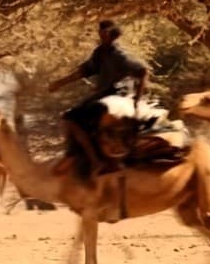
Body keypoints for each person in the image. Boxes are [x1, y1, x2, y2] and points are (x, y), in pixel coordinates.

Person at [48, 20, 149, 176]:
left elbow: (143, 71)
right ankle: (83, 158)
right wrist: (60, 83)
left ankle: (93, 161)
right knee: (76, 118)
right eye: (101, 31)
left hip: (116, 95)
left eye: (105, 31)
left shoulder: (120, 55)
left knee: (72, 118)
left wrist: (136, 101)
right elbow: (84, 71)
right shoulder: (100, 52)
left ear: (113, 34)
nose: (102, 34)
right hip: (104, 95)